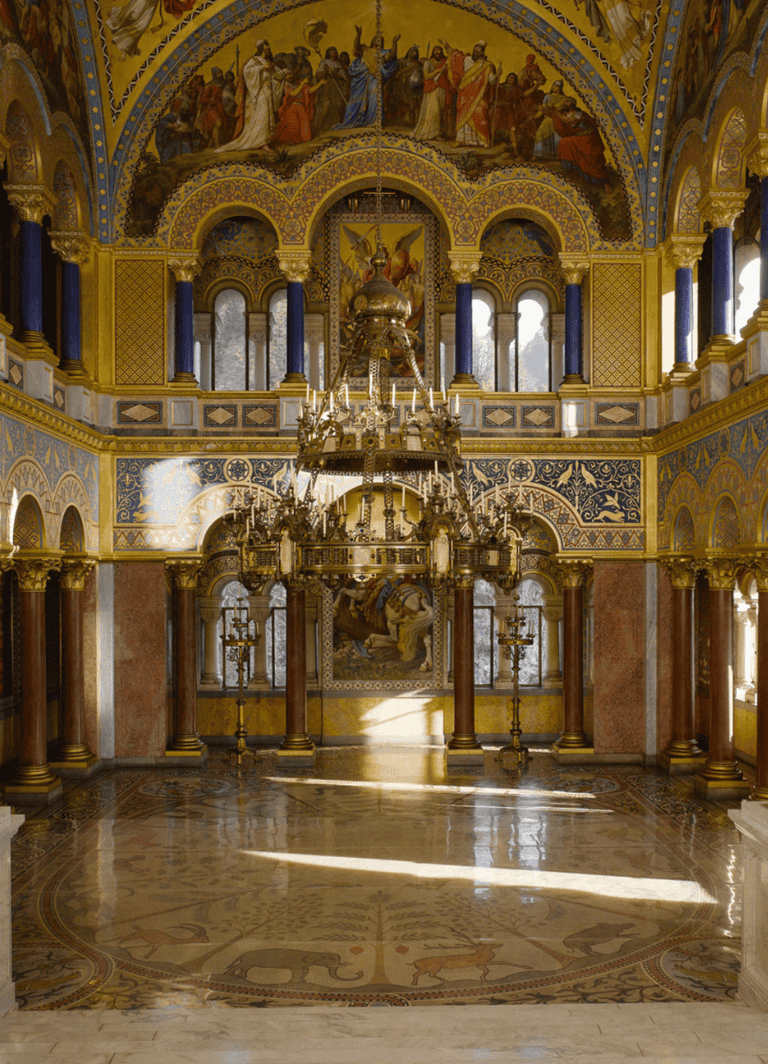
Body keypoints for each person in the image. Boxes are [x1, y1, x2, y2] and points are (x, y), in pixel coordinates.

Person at [215, 40, 286, 154]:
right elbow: (247, 72)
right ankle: (263, 143)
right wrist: (262, 68)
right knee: (262, 116)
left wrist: (274, 70)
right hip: (258, 92)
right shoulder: (254, 60)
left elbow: (278, 76)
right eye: (267, 45)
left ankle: (264, 141)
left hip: (267, 92)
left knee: (266, 116)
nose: (269, 48)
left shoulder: (268, 61)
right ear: (262, 47)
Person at [334, 26, 400, 129]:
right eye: (375, 39)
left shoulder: (383, 53)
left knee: (375, 95)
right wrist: (359, 34)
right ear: (372, 41)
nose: (377, 42)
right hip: (360, 80)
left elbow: (392, 55)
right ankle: (351, 121)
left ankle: (374, 121)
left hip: (374, 78)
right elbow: (356, 46)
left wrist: (394, 42)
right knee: (354, 101)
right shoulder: (366, 49)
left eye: (380, 40)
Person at [438, 38, 497, 147]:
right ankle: (460, 140)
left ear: (483, 52)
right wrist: (446, 45)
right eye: (475, 49)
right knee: (463, 117)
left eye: (479, 50)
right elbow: (454, 54)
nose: (476, 51)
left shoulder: (487, 65)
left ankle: (482, 140)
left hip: (479, 95)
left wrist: (496, 77)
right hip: (464, 94)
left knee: (480, 113)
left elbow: (491, 80)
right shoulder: (466, 60)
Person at [271, 71, 324, 145]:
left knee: (305, 127)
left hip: (301, 107)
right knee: (292, 123)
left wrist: (320, 83)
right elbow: (294, 93)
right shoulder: (287, 86)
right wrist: (302, 84)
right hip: (292, 107)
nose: (289, 76)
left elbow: (310, 91)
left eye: (290, 74)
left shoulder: (300, 83)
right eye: (287, 75)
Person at [412, 45, 451, 141]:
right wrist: (438, 70)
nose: (437, 52)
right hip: (431, 89)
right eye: (435, 50)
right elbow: (426, 76)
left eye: (439, 50)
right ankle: (433, 133)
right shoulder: (428, 62)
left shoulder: (445, 62)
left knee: (440, 111)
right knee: (434, 111)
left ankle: (438, 132)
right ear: (433, 52)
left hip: (442, 89)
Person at [313, 46, 350, 135]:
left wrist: (335, 75)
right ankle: (320, 129)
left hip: (337, 89)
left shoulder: (338, 64)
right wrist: (325, 71)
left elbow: (345, 77)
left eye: (335, 50)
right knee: (326, 106)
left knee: (338, 106)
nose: (334, 52)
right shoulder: (324, 62)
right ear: (328, 53)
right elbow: (318, 76)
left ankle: (334, 128)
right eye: (332, 51)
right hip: (326, 88)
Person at [195, 67, 234, 150]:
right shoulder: (210, 85)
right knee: (218, 123)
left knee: (225, 126)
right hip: (212, 109)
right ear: (214, 75)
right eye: (218, 73)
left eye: (220, 72)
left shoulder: (223, 84)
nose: (220, 75)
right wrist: (210, 100)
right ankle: (216, 144)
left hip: (221, 108)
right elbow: (202, 100)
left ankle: (216, 143)